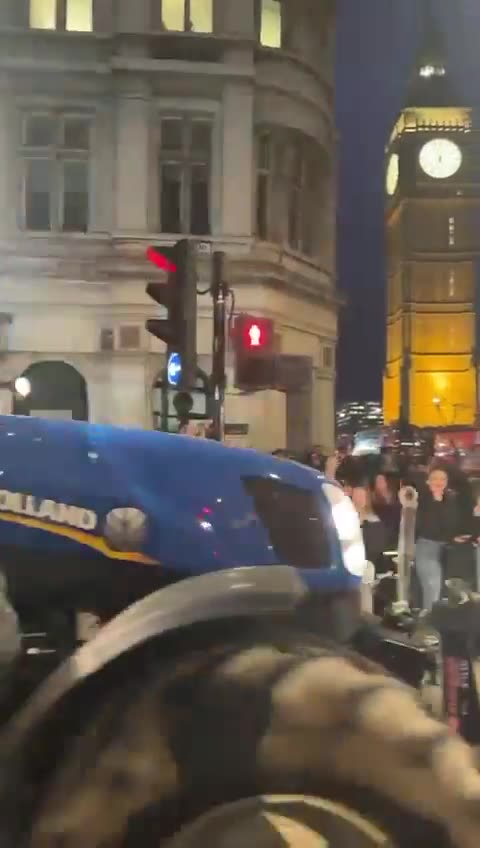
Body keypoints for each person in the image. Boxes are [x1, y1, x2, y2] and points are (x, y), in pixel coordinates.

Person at [407, 467, 464, 612]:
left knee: (448, 590)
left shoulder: (451, 499)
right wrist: (436, 501)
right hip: (427, 546)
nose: (439, 482)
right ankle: (429, 623)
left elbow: (452, 524)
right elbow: (427, 527)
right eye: (435, 478)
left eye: (443, 479)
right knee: (432, 587)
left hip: (447, 549)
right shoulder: (421, 500)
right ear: (428, 481)